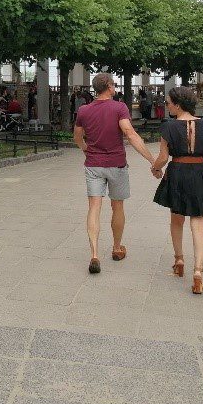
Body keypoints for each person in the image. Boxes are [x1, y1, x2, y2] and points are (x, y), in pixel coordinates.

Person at [73, 73, 156, 274]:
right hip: (117, 164)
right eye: (114, 84)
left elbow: (77, 137)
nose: (115, 87)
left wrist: (85, 149)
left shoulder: (83, 110)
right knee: (117, 206)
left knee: (94, 207)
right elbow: (129, 133)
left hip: (93, 164)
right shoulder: (119, 108)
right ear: (108, 86)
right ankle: (117, 248)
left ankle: (94, 254)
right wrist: (152, 160)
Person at [150, 86, 203, 295]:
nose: (167, 105)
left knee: (176, 219)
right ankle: (198, 272)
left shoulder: (168, 127)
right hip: (200, 172)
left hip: (177, 172)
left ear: (178, 104)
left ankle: (179, 260)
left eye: (168, 102)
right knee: (198, 224)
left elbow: (163, 157)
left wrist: (155, 169)